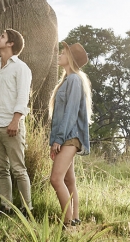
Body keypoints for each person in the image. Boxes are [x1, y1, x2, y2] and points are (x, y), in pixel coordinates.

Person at [0, 29, 33, 216]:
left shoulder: (21, 68)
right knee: (1, 170)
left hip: (12, 126)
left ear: (10, 44)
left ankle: (27, 210)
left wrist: (16, 120)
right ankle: (6, 207)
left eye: (1, 36)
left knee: (18, 169)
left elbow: (23, 96)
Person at [49, 41, 92, 227]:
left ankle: (67, 224)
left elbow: (70, 113)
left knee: (55, 179)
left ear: (70, 59)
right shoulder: (67, 80)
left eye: (63, 53)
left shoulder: (74, 79)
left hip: (69, 137)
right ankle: (74, 220)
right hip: (67, 136)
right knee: (68, 179)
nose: (59, 55)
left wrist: (58, 139)